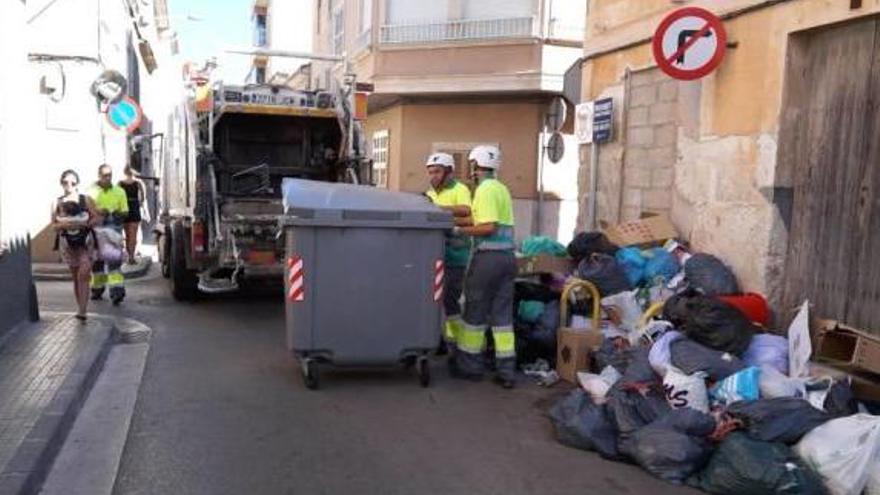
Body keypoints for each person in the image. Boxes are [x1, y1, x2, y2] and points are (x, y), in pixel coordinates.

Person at [453, 145, 517, 388]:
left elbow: (487, 226)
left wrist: (458, 230)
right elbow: (480, 218)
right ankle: (506, 372)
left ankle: (470, 367)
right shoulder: (501, 188)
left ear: (475, 165)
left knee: (474, 313)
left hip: (488, 259)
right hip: (507, 259)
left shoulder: (485, 190)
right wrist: (452, 218)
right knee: (502, 318)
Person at [424, 152, 472, 359]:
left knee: (450, 302)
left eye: (437, 171)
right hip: (434, 255)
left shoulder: (460, 189)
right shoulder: (429, 193)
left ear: (449, 171)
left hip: (456, 255)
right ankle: (440, 340)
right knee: (432, 300)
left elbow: (468, 214)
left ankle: (459, 344)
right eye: (430, 172)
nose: (433, 176)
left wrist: (440, 212)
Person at [52, 170, 99, 321]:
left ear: (77, 184)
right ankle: (81, 308)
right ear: (61, 183)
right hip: (68, 243)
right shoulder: (57, 202)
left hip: (86, 242)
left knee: (83, 273)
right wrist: (64, 225)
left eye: (72, 183)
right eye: (65, 182)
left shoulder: (85, 199)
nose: (69, 186)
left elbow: (96, 217)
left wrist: (84, 224)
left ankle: (83, 310)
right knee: (75, 276)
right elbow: (53, 225)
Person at [88, 164, 129, 305]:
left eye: (110, 175)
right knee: (97, 263)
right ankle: (97, 289)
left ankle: (117, 292)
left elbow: (125, 212)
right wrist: (99, 212)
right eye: (105, 175)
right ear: (99, 176)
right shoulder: (91, 191)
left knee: (114, 263)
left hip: (113, 230)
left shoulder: (119, 191)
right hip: (97, 230)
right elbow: (87, 210)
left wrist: (118, 213)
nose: (108, 178)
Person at [118, 165, 149, 265]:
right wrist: (145, 211)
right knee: (133, 235)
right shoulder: (139, 183)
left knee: (127, 234)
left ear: (125, 172)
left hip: (124, 208)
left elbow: (116, 197)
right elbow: (144, 199)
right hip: (134, 207)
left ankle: (129, 255)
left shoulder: (120, 183)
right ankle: (131, 256)